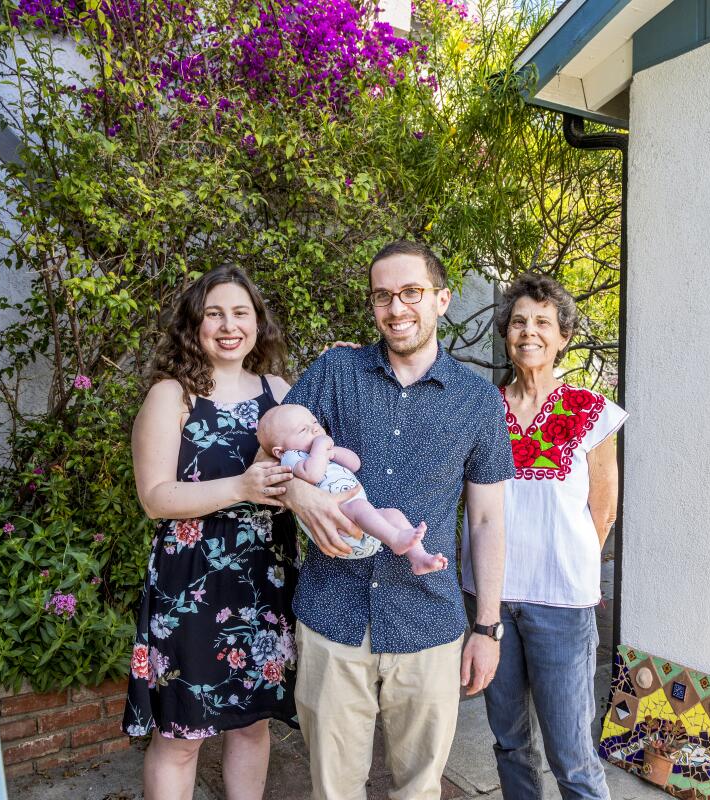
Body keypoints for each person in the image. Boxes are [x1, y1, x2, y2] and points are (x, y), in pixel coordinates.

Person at [279, 240, 515, 800]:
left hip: (428, 622)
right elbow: (274, 450)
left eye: (411, 292)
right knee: (333, 789)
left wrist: (486, 627)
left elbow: (486, 521)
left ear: (442, 299)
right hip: (333, 615)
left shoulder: (478, 401)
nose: (396, 308)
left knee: (419, 788)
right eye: (383, 296)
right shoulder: (335, 371)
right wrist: (297, 495)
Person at [122, 266, 300, 800]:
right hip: (191, 589)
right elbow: (156, 497)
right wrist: (243, 487)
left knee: (252, 724)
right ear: (194, 324)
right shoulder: (171, 396)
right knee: (181, 735)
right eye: (214, 313)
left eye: (240, 313)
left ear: (257, 323)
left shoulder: (280, 391)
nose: (228, 325)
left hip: (265, 585)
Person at [462, 272, 626, 800]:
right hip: (492, 602)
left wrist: (569, 564)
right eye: (517, 322)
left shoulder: (590, 410)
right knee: (510, 744)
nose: (528, 332)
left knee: (572, 756)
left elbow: (603, 507)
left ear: (562, 336)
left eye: (542, 322)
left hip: (561, 604)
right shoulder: (483, 409)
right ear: (506, 334)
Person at [256, 403, 448, 575]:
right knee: (359, 506)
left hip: (359, 523)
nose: (315, 429)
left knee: (393, 515)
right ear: (279, 451)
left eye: (314, 422)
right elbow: (312, 474)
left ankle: (419, 558)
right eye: (303, 430)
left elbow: (355, 463)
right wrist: (321, 448)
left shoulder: (321, 452)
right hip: (335, 524)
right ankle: (395, 538)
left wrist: (332, 451)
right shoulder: (292, 457)